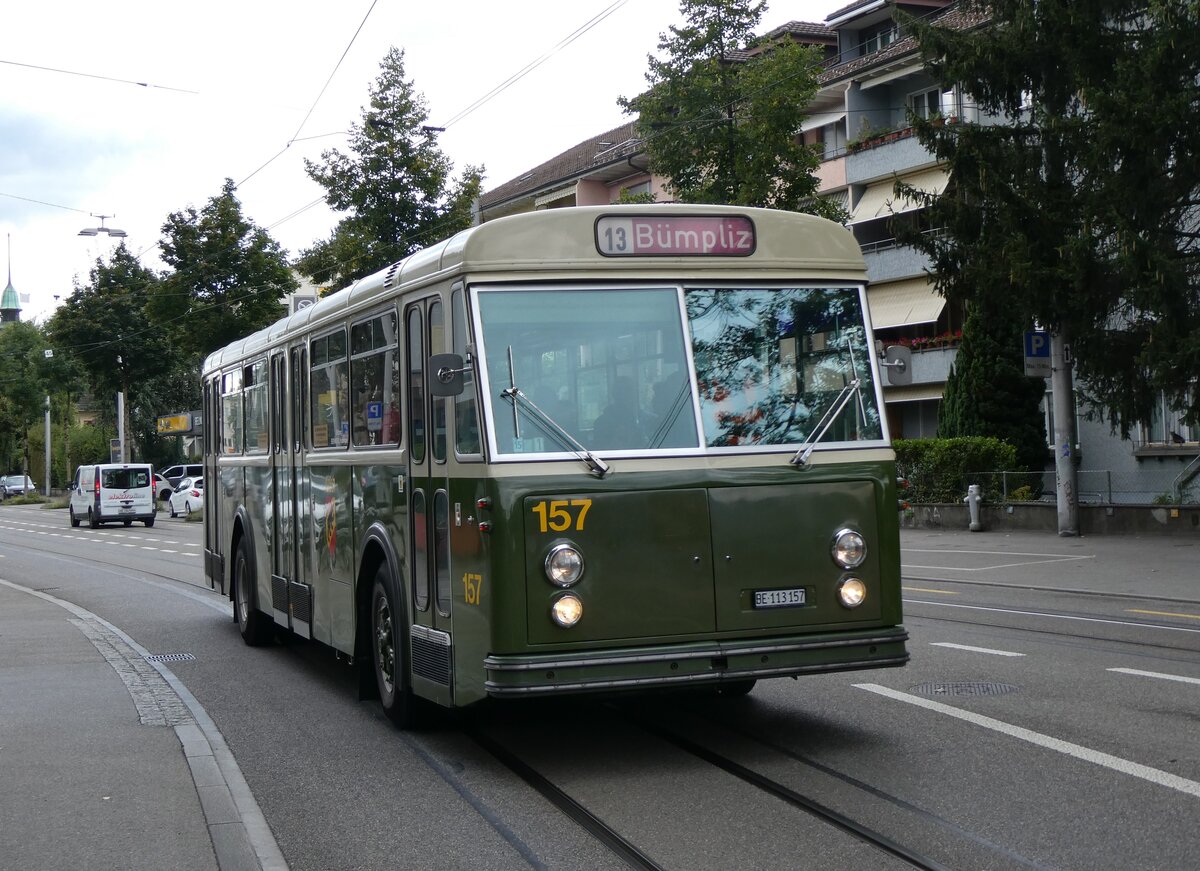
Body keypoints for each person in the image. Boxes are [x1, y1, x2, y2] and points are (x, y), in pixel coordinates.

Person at [591, 376, 647, 449]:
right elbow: (598, 451)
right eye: (622, 392)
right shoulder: (601, 423)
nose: (626, 397)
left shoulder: (644, 419)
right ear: (615, 395)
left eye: (629, 392)